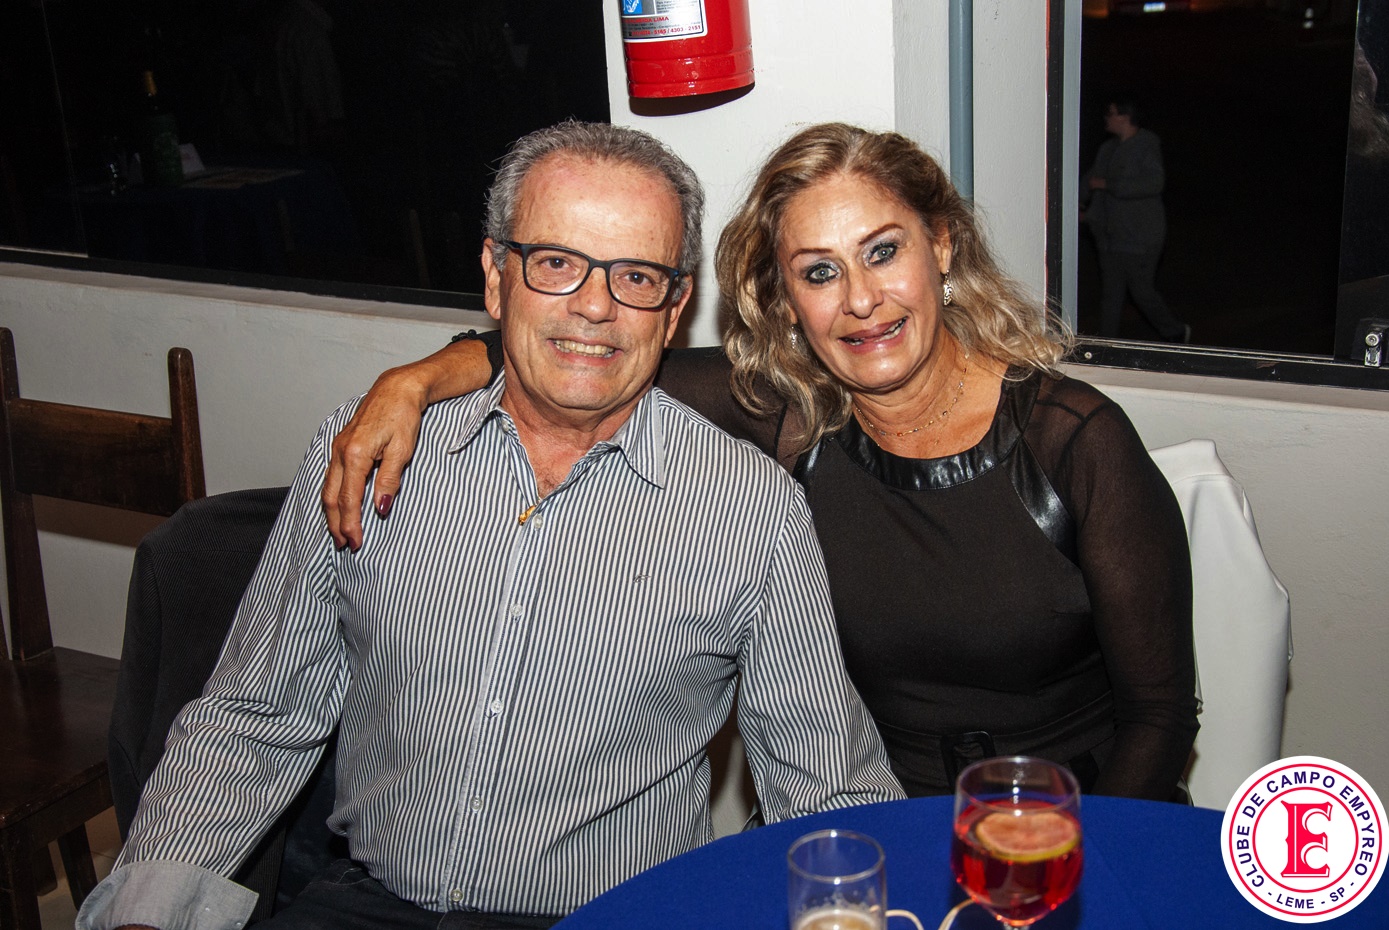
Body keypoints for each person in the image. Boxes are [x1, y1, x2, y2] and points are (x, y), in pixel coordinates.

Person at [80, 121, 903, 930]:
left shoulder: (749, 510)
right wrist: (146, 916)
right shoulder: (372, 454)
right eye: (556, 263)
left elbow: (827, 785)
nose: (594, 306)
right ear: (495, 277)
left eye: (636, 276)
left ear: (674, 305)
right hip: (367, 902)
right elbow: (253, 719)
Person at [322, 122, 1199, 803]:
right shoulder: (790, 418)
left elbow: (1159, 717)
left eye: (883, 251)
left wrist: (1064, 863)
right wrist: (414, 381)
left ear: (940, 245)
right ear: (786, 302)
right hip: (869, 823)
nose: (861, 300)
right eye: (818, 273)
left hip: (1073, 822)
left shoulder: (1075, 441)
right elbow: (580, 353)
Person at [1081, 98, 1189, 342]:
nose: (1106, 118)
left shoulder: (1146, 145)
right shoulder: (1107, 149)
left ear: (1125, 116)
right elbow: (1089, 181)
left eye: (1111, 113)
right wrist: (1078, 208)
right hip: (1109, 236)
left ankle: (1175, 332)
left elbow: (1154, 183)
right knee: (1111, 295)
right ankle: (1107, 346)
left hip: (1139, 237)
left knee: (1141, 292)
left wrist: (1110, 185)